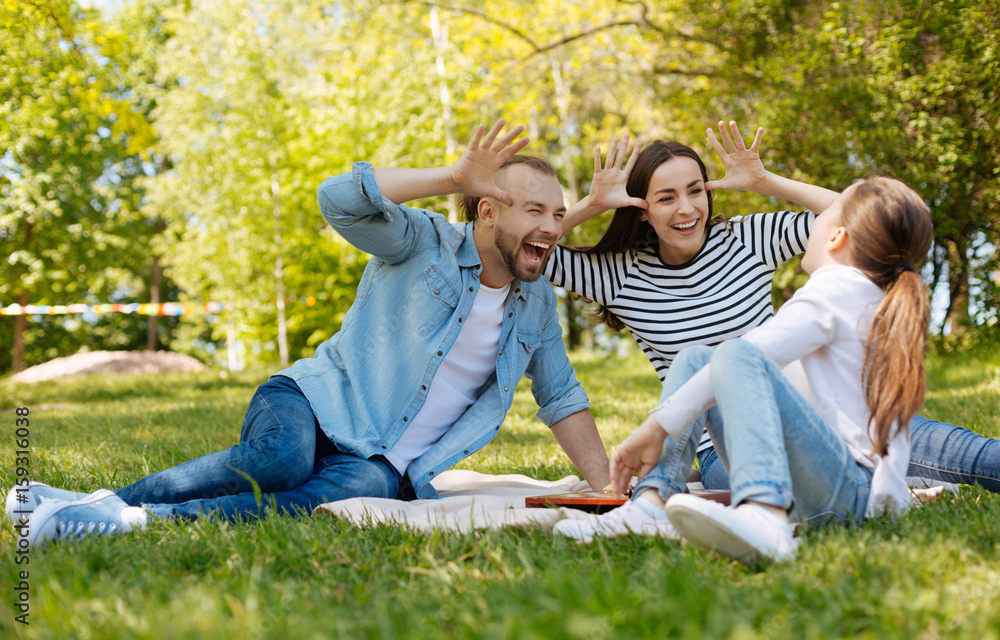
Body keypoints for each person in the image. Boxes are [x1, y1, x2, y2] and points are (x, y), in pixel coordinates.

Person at [8, 120, 611, 549]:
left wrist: (609, 490)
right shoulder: (423, 240)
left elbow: (562, 398)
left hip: (383, 463)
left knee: (348, 492)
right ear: (488, 211)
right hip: (314, 401)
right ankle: (103, 501)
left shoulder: (536, 307)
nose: (552, 227)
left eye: (559, 214)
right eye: (535, 210)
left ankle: (128, 521)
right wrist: (452, 177)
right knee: (282, 458)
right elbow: (338, 199)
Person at [542, 122, 999, 540]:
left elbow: (863, 222)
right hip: (731, 443)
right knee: (697, 359)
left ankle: (799, 505)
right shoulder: (618, 275)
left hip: (827, 415)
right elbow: (534, 250)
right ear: (640, 210)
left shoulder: (745, 239)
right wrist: (591, 206)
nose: (687, 208)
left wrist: (766, 182)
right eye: (666, 198)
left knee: (976, 457)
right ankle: (653, 507)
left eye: (696, 191)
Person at [577, 176, 934, 564]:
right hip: (829, 487)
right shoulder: (858, 293)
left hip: (849, 494)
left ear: (835, 237)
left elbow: (750, 353)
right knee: (697, 359)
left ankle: (765, 515)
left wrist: (656, 426)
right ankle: (650, 503)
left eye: (822, 217)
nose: (812, 222)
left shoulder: (834, 290)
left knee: (736, 353)